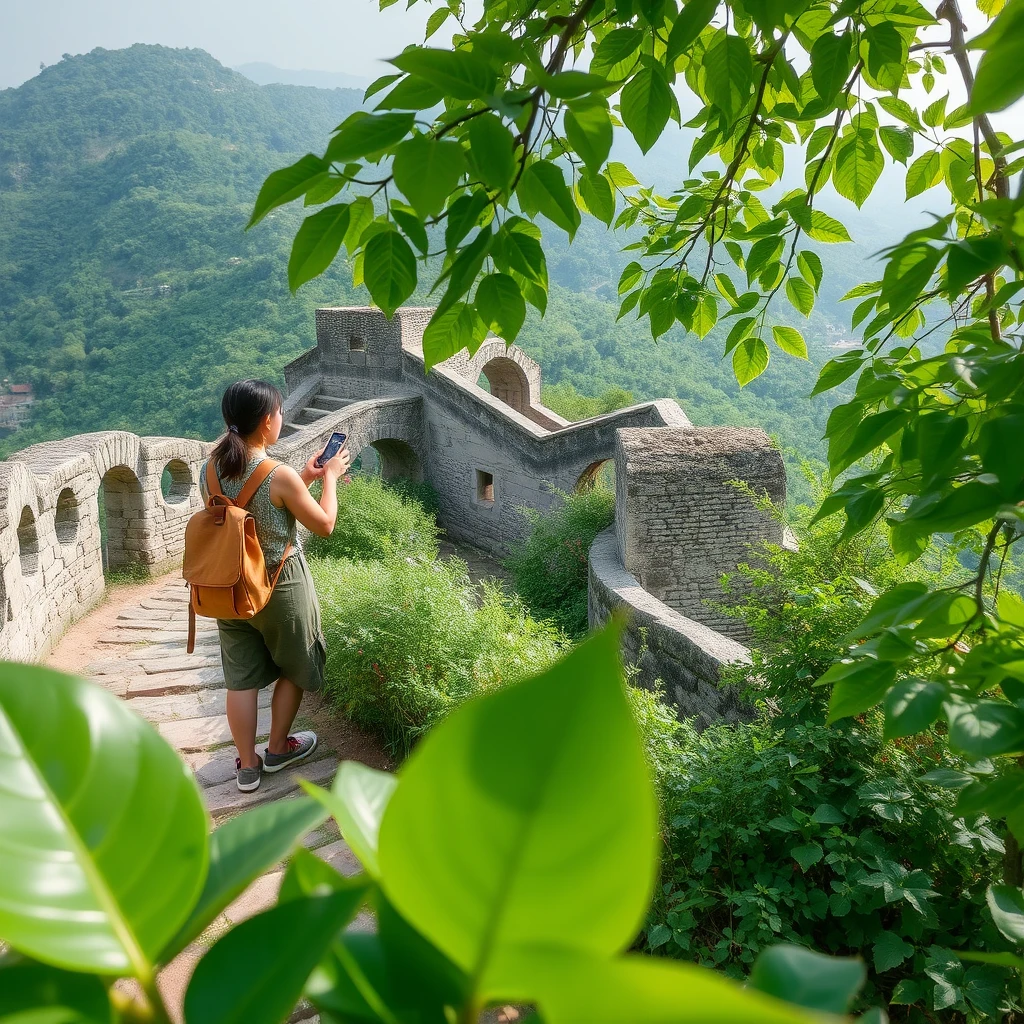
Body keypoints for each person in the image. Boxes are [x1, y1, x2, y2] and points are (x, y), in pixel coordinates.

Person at [200, 379, 350, 792]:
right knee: (299, 663)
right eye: (280, 413)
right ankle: (279, 746)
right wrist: (331, 477)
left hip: (228, 587)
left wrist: (304, 477)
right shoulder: (279, 476)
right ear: (267, 422)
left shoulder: (210, 468)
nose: (282, 418)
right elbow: (324, 525)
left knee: (240, 679)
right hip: (279, 584)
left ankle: (248, 766)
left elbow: (244, 507)